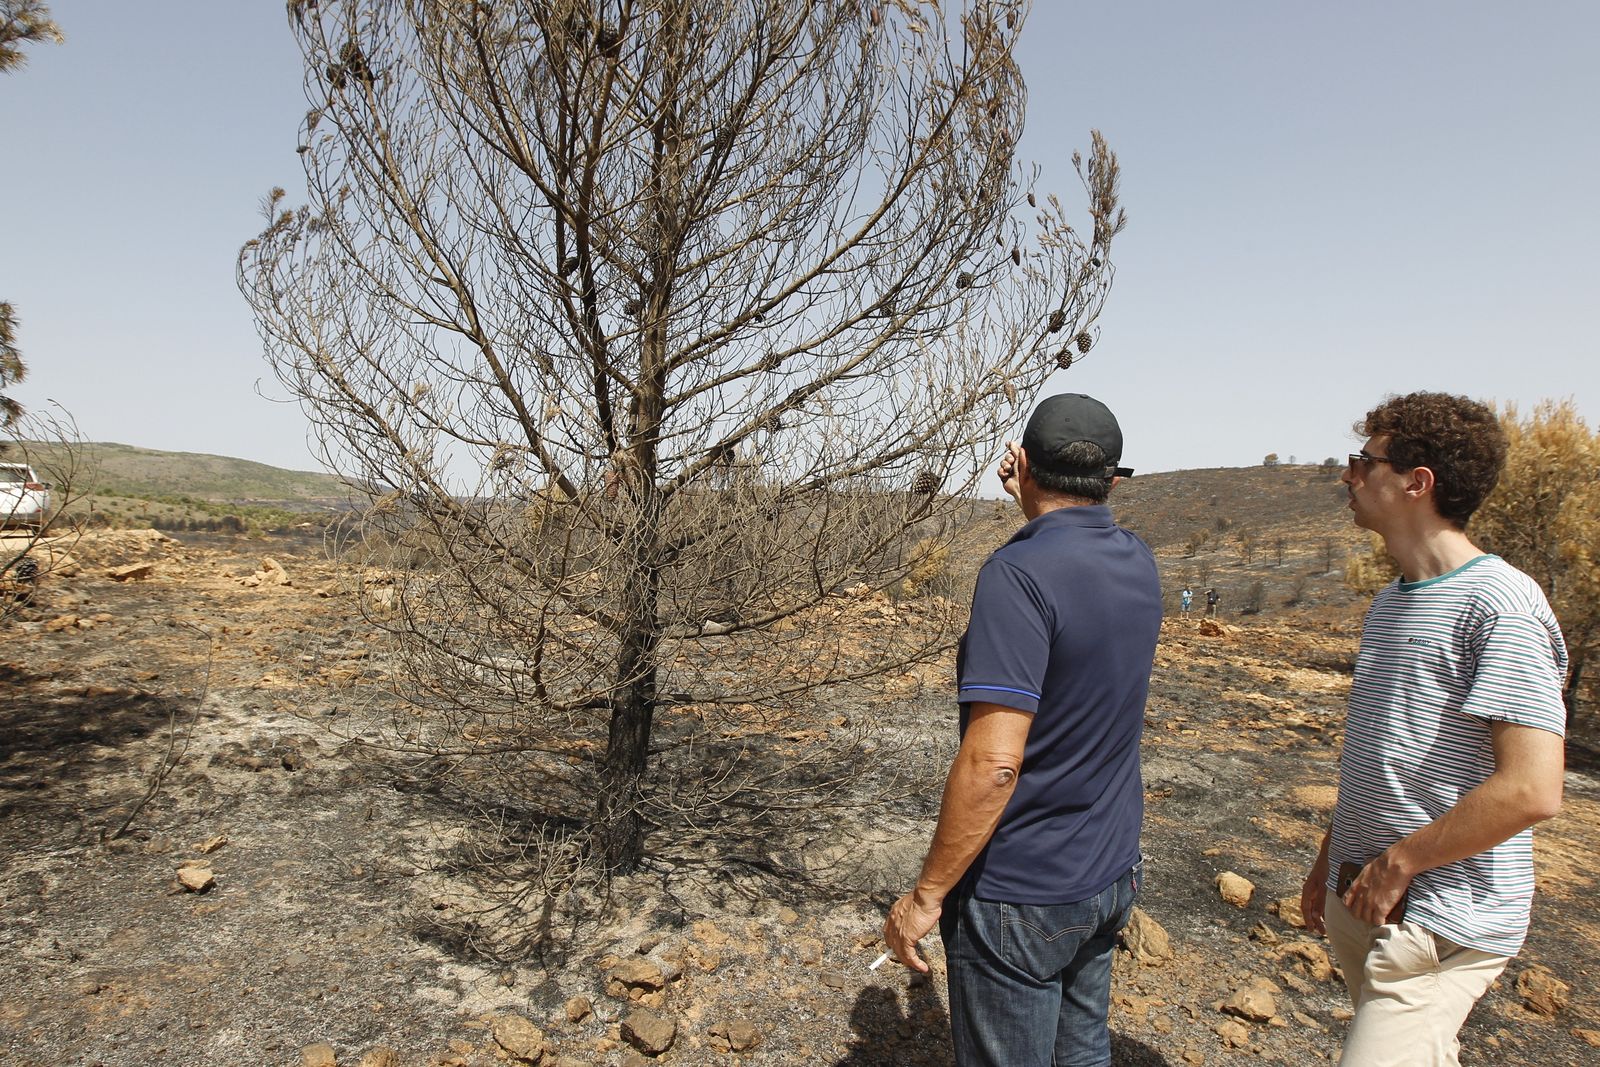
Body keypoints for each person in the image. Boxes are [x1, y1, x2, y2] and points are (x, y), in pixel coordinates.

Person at [882, 393, 1163, 1067]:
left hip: (1024, 889)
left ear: (1025, 464)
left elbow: (993, 764)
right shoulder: (1137, 558)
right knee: (1081, 1051)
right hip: (1108, 872)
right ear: (1113, 480)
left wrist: (927, 894)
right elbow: (1070, 558)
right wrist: (1032, 499)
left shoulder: (1016, 575)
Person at [1301, 392, 1567, 1067]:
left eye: (1365, 461)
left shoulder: (1501, 606)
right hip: (1370, 896)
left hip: (1441, 916)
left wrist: (1399, 864)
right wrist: (1331, 855)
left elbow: (1532, 788)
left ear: (1418, 483)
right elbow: (1387, 750)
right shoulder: (1391, 601)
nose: (1348, 475)